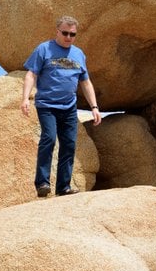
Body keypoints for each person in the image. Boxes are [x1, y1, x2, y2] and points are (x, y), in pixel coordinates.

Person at [20, 16, 102, 197]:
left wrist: (94, 107)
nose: (68, 37)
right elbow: (31, 74)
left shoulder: (78, 54)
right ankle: (42, 183)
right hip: (47, 105)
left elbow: (85, 82)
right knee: (48, 138)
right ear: (57, 31)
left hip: (69, 107)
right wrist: (26, 98)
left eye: (72, 34)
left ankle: (63, 187)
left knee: (69, 144)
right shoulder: (44, 49)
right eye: (65, 33)